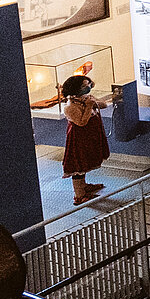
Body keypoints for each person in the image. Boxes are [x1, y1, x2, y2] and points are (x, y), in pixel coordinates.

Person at [59, 73, 113, 205]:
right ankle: (79, 194)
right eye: (84, 85)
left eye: (88, 84)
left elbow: (103, 105)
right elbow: (82, 122)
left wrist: (93, 102)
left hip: (90, 136)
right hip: (79, 139)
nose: (88, 87)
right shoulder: (70, 107)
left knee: (86, 161)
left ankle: (83, 186)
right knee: (78, 164)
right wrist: (89, 106)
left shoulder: (87, 98)